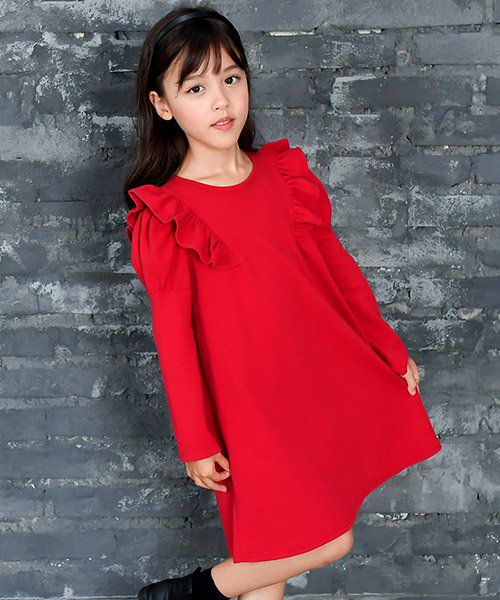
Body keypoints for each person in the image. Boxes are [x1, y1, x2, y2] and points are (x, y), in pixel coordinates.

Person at [123, 5, 443, 600]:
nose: (221, 101)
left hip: (312, 380)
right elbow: (174, 334)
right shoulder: (167, 214)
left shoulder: (283, 176)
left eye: (231, 78)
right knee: (320, 542)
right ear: (163, 105)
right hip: (246, 405)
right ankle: (191, 593)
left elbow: (339, 274)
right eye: (196, 88)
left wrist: (386, 345)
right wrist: (196, 437)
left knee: (271, 552)